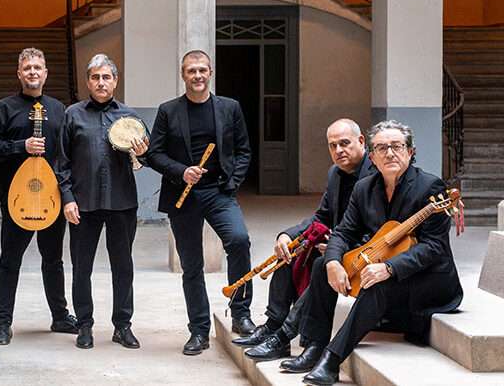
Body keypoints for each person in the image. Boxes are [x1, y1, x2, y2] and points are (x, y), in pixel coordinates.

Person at [301, 120, 463, 386]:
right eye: (381, 148)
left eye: (397, 146)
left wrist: (389, 268)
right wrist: (332, 262)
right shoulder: (364, 188)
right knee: (321, 265)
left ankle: (331, 360)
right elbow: (343, 232)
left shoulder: (431, 187)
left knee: (379, 284)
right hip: (389, 273)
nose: (389, 153)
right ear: (372, 156)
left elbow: (434, 247)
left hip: (431, 279)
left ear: (410, 152)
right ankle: (314, 346)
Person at [237, 119, 374, 373]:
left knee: (322, 264)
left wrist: (336, 248)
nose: (339, 151)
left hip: (360, 252)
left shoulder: (374, 175)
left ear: (361, 142)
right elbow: (321, 216)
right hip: (337, 244)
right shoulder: (335, 173)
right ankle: (274, 325)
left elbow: (375, 228)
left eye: (344, 143)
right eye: (333, 146)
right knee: (289, 253)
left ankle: (292, 337)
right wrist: (287, 235)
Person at [145, 49, 254, 356]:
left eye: (202, 70)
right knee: (192, 266)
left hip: (219, 192)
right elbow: (153, 153)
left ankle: (241, 314)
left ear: (210, 73)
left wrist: (231, 185)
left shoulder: (229, 108)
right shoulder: (168, 110)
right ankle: (198, 330)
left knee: (239, 241)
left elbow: (244, 150)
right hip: (184, 196)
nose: (197, 75)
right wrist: (182, 171)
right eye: (191, 71)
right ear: (183, 75)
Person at [56, 53, 148, 350]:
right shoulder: (72, 115)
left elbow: (142, 158)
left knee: (123, 266)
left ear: (115, 81)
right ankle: (84, 324)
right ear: (87, 82)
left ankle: (123, 326)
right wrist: (67, 198)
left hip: (122, 203)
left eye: (106, 77)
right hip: (82, 203)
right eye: (95, 77)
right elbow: (61, 162)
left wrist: (144, 152)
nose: (101, 82)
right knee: (82, 267)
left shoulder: (130, 117)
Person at [0, 48, 76, 346]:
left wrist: (67, 194)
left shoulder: (60, 110)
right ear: (19, 73)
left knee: (54, 260)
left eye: (38, 67)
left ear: (46, 73)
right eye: (27, 68)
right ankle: (3, 323)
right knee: (9, 261)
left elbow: (67, 155)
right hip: (17, 198)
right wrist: (20, 146)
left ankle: (60, 316)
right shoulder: (3, 109)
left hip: (50, 197)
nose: (33, 72)